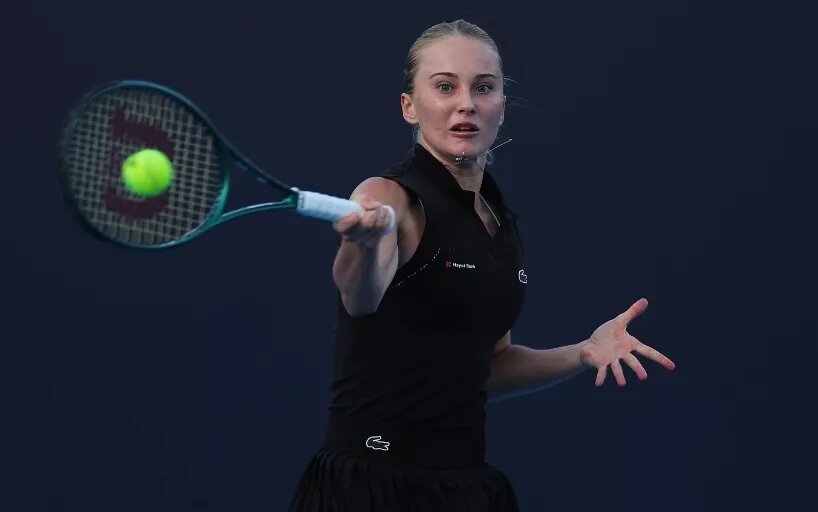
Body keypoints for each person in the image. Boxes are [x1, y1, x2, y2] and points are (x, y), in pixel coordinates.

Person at [289, 19, 676, 512]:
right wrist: (362, 246)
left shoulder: (496, 219)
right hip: (370, 487)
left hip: (464, 487)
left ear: (502, 107)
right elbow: (360, 297)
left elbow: (488, 368)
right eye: (444, 87)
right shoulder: (386, 196)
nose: (466, 104)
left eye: (483, 88)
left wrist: (582, 352)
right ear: (410, 106)